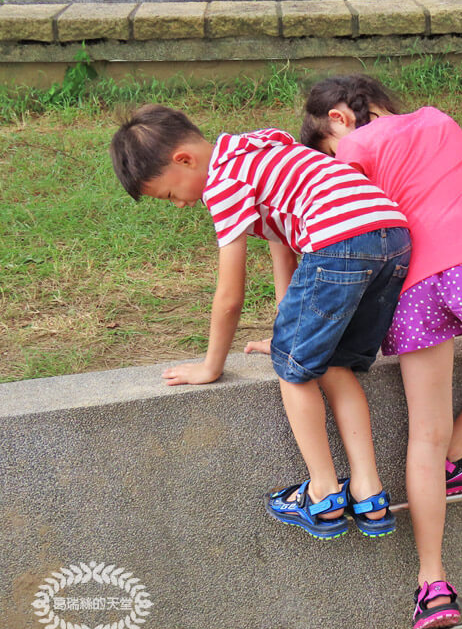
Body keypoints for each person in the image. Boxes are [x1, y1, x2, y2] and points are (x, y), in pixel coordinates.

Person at [297, 75, 462, 629]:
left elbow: (344, 232)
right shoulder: (440, 118)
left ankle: (432, 585)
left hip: (413, 290)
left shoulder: (353, 151)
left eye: (327, 147)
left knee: (423, 434)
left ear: (338, 120)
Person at [109, 104, 411, 541]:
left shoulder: (222, 184)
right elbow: (284, 246)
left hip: (338, 240)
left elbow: (230, 295)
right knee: (335, 363)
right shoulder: (260, 148)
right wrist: (290, 330)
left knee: (294, 373)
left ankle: (324, 496)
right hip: (391, 236)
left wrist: (211, 366)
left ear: (184, 160)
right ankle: (369, 494)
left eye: (170, 195)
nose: (178, 205)